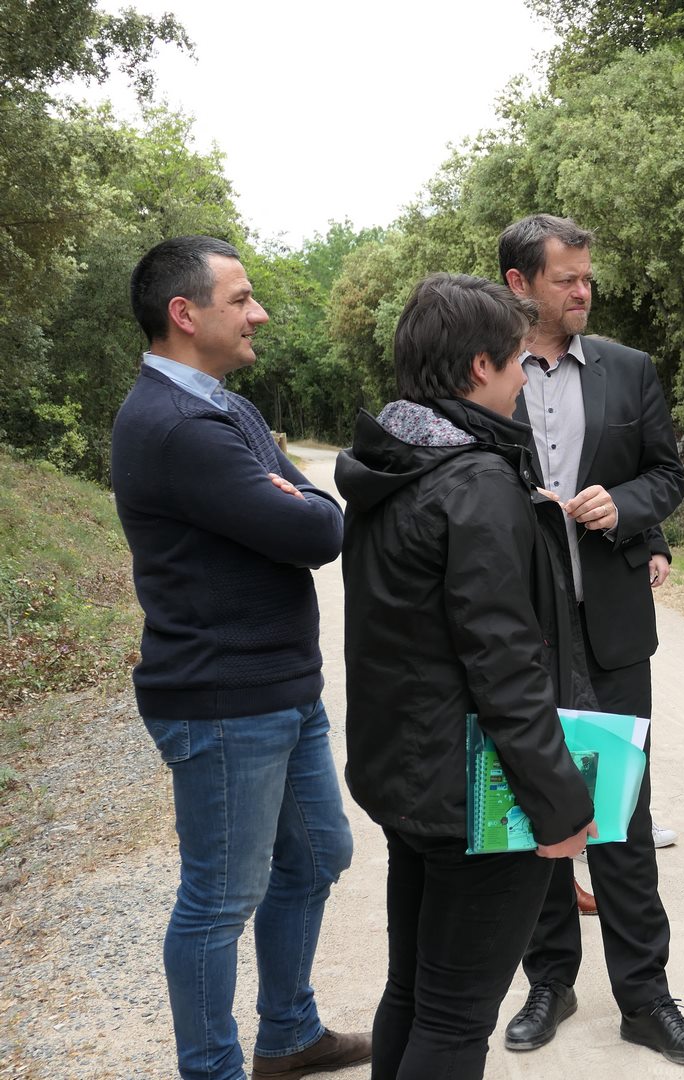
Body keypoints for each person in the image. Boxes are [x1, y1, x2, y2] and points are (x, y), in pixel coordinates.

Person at [112, 236, 368, 1080]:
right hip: (223, 699)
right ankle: (213, 1069)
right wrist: (295, 498)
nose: (259, 313)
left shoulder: (225, 406)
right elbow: (315, 529)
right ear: (185, 315)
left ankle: (289, 1035)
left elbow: (313, 505)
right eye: (242, 299)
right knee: (218, 899)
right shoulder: (179, 423)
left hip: (278, 687)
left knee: (318, 855)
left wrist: (295, 494)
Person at [336, 274, 596, 1078]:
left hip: (411, 781)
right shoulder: (476, 481)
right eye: (519, 361)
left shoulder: (395, 461)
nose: (526, 379)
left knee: (414, 992)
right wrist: (560, 804)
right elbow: (506, 666)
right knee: (453, 1022)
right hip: (474, 798)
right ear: (480, 366)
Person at [496, 214, 684, 1065]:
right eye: (566, 279)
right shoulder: (487, 371)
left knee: (621, 815)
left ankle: (645, 998)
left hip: (613, 632)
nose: (584, 291)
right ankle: (549, 980)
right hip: (520, 637)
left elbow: (668, 473)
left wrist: (625, 507)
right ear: (521, 285)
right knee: (533, 813)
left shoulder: (631, 370)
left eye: (588, 277)